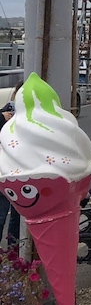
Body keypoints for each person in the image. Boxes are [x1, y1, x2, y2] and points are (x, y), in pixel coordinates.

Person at [0, 82, 22, 246]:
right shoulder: (7, 111)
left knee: (16, 216)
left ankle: (13, 256)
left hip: (16, 172)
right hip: (7, 172)